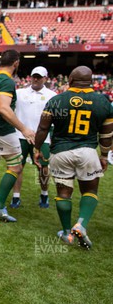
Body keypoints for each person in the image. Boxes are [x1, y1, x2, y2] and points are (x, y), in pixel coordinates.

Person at [34, 66, 113, 249]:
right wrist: (103, 155)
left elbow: (43, 129)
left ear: (69, 80)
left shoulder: (56, 100)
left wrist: (37, 149)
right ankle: (82, 224)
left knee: (63, 193)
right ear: (91, 81)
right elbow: (107, 134)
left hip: (60, 152)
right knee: (90, 191)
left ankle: (67, 232)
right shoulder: (103, 101)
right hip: (87, 152)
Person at [0, 49, 35, 222]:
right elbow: (4, 108)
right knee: (15, 167)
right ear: (16, 63)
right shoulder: (6, 81)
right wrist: (24, 129)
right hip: (1, 130)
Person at [10, 66, 57, 209]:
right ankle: (16, 196)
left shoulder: (52, 95)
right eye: (34, 76)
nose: (36, 79)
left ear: (45, 78)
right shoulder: (19, 93)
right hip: (21, 136)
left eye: (39, 77)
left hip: (43, 138)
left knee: (43, 168)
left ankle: (44, 193)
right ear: (30, 77)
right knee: (17, 167)